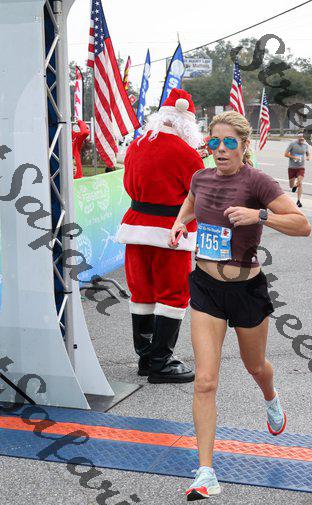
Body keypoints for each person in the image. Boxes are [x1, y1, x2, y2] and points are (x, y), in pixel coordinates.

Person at [169, 111, 311, 500]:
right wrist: (180, 222)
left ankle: (271, 396)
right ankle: (205, 472)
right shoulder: (201, 177)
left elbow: (302, 224)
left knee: (255, 366)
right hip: (206, 288)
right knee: (205, 380)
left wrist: (259, 215)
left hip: (247, 291)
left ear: (244, 145)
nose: (220, 149)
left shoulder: (257, 182)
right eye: (213, 142)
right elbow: (192, 202)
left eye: (229, 142)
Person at [116, 89, 204, 384]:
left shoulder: (137, 145)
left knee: (142, 293)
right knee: (173, 295)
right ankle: (161, 362)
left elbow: (128, 185)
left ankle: (145, 358)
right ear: (187, 123)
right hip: (171, 232)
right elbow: (197, 197)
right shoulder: (187, 153)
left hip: (136, 227)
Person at [284, 132, 310, 208]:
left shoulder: (305, 145)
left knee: (300, 182)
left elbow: (307, 153)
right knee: (291, 186)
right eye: (300, 137)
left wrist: (308, 157)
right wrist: (294, 157)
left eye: (303, 137)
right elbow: (285, 154)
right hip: (292, 167)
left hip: (301, 167)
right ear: (298, 137)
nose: (302, 138)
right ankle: (294, 186)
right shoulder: (292, 144)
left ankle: (298, 201)